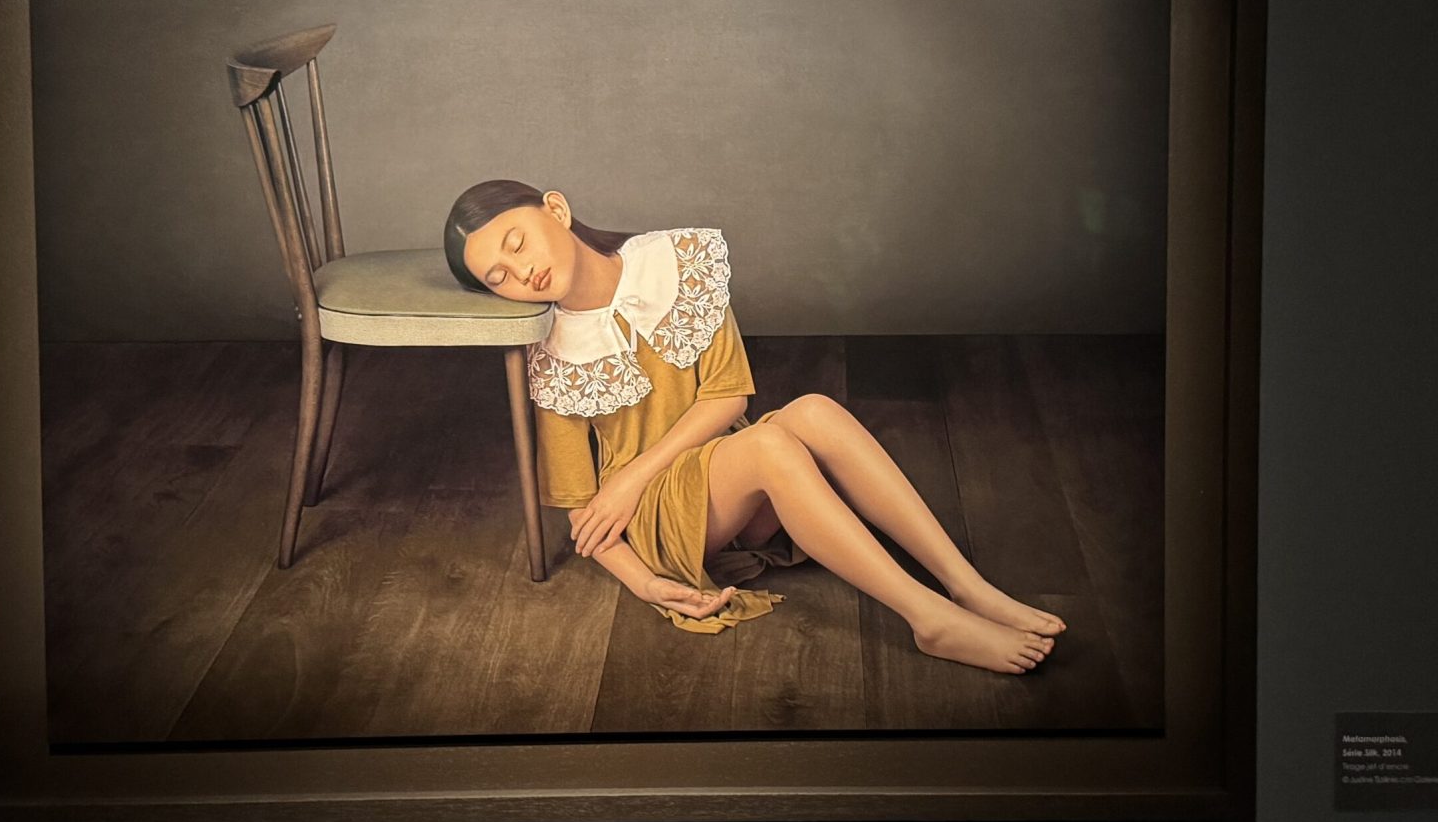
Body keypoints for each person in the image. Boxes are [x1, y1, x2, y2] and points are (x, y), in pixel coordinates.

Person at [444, 179, 1065, 675]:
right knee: (767, 444)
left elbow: (729, 395)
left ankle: (966, 585)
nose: (521, 272)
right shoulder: (550, 352)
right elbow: (583, 507)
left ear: (555, 210)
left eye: (517, 243)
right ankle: (927, 617)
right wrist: (646, 583)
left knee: (813, 410)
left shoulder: (675, 265)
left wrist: (633, 475)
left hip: (721, 472)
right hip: (658, 519)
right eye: (498, 277)